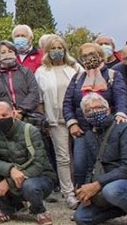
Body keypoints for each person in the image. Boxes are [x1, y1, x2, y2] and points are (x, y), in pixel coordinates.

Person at [72, 93, 127, 225]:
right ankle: (123, 207)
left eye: (98, 108)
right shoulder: (89, 135)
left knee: (112, 191)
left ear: (108, 110)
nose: (94, 112)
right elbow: (91, 167)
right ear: (84, 116)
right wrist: (86, 192)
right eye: (88, 110)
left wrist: (97, 184)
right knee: (81, 218)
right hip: (108, 183)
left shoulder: (124, 128)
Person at [65, 43, 127, 191]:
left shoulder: (113, 75)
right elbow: (68, 102)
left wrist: (121, 114)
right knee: (80, 164)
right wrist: (72, 123)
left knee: (108, 163)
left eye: (92, 54)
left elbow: (121, 97)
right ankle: (81, 196)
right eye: (85, 55)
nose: (89, 58)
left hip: (108, 129)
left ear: (101, 55)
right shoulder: (77, 78)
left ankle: (110, 196)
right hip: (83, 128)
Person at [0, 102, 55, 225]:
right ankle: (6, 211)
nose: (1, 119)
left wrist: (8, 181)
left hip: (39, 177)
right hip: (11, 173)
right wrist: (10, 170)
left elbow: (39, 163)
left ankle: (39, 211)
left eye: (5, 115)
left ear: (14, 113)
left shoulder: (31, 130)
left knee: (30, 186)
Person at [33, 34, 82, 209]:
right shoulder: (41, 72)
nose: (56, 51)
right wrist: (44, 120)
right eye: (53, 48)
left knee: (80, 156)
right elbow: (39, 100)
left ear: (65, 49)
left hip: (77, 118)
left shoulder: (74, 69)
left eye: (59, 48)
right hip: (55, 120)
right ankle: (68, 192)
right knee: (63, 157)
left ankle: (82, 188)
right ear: (47, 51)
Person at [0, 41, 42, 122]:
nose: (7, 54)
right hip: (3, 119)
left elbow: (34, 93)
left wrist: (21, 110)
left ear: (15, 54)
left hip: (26, 116)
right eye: (3, 52)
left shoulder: (26, 72)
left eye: (10, 51)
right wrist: (6, 112)